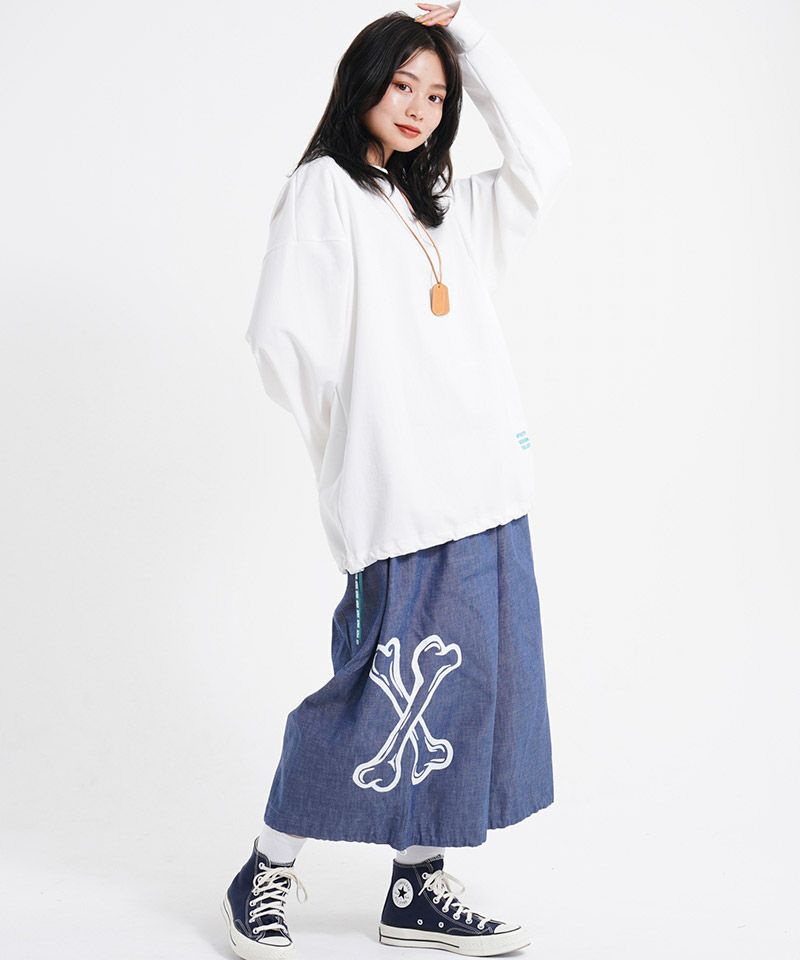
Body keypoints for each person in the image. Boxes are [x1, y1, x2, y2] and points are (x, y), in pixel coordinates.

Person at [221, 0, 572, 956]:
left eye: (437, 93)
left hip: (488, 493)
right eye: (402, 84)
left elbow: (544, 158)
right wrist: (360, 447)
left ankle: (415, 887)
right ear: (363, 84)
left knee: (466, 696)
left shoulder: (442, 208)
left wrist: (472, 41)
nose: (418, 106)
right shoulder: (325, 190)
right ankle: (266, 867)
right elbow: (282, 341)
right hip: (401, 504)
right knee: (372, 697)